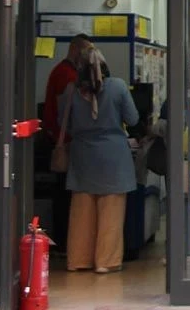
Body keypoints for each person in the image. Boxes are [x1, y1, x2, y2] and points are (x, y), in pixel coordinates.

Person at [60, 47, 139, 273]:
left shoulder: (71, 91)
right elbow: (133, 119)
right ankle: (106, 261)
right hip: (114, 157)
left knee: (81, 213)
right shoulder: (118, 87)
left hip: (82, 156)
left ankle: (78, 260)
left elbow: (62, 121)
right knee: (111, 213)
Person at [42, 33, 92, 249]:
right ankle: (63, 242)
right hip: (64, 141)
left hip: (64, 138)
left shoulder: (65, 72)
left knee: (66, 193)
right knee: (65, 194)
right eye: (85, 52)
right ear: (74, 50)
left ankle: (65, 242)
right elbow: (67, 113)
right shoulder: (66, 75)